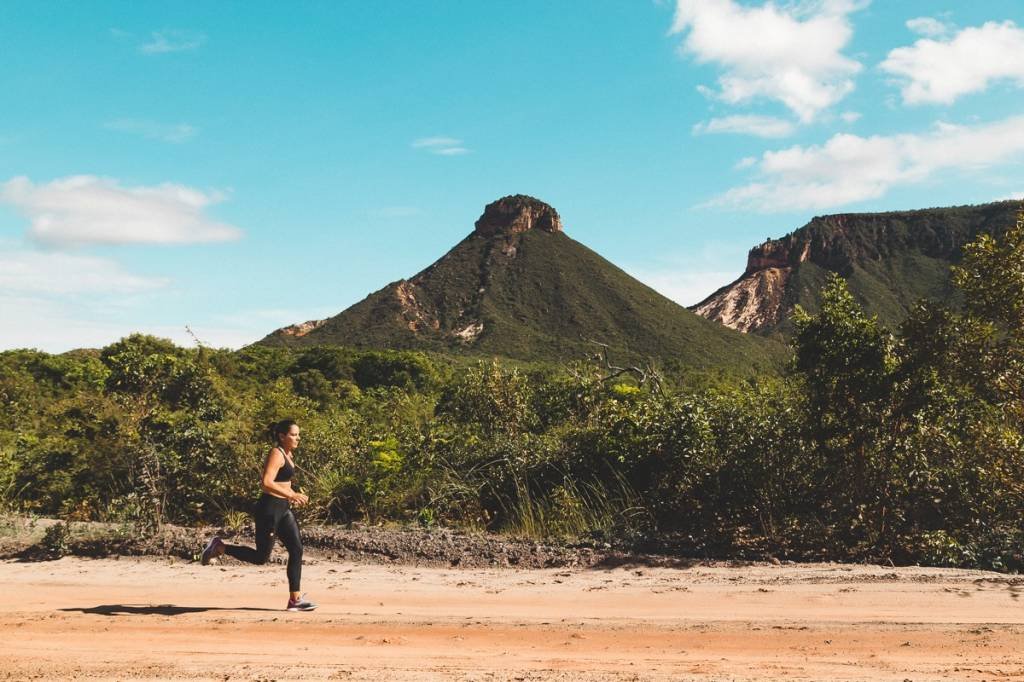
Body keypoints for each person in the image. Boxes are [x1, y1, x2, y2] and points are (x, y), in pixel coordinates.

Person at [200, 419, 316, 612]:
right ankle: (220, 547)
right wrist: (292, 495)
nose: (298, 438)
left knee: (296, 549)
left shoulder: (289, 454)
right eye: (294, 435)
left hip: (284, 509)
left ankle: (295, 600)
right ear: (282, 436)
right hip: (269, 509)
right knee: (261, 557)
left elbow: (283, 482)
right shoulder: (276, 454)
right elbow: (266, 482)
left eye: (298, 434)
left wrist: (293, 495)